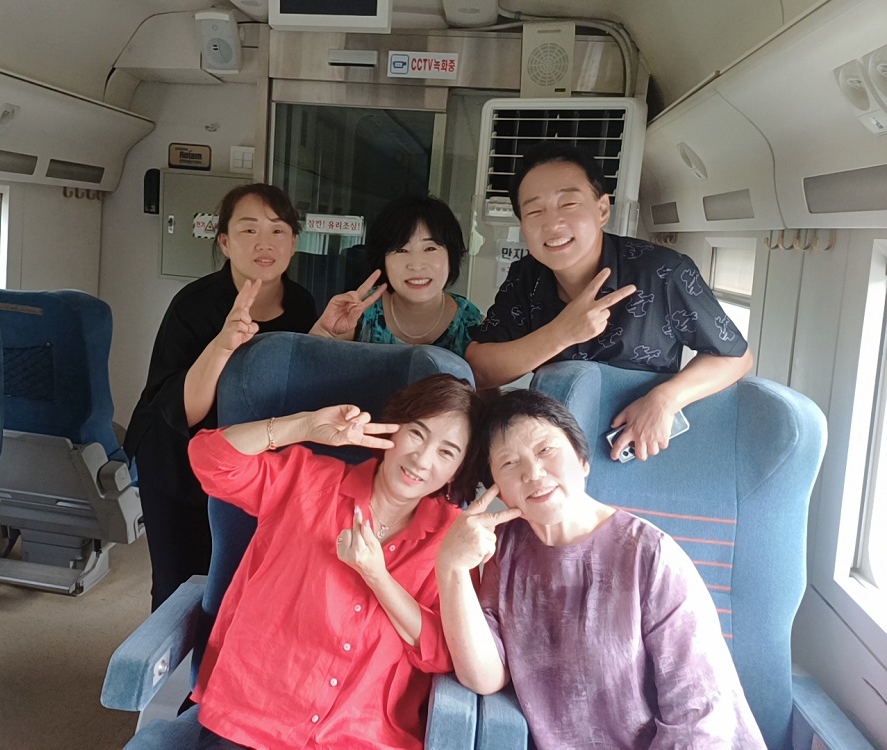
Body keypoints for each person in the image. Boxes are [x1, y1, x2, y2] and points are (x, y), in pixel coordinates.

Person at [435, 389, 766, 749]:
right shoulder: (505, 549)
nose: (533, 472)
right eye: (509, 463)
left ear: (582, 460)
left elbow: (701, 718)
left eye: (546, 450)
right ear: (499, 490)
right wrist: (451, 568)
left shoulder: (650, 556)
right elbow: (485, 676)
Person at [183, 372, 482, 749]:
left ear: (458, 470)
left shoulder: (452, 540)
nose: (422, 460)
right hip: (253, 720)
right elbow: (210, 460)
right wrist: (303, 425)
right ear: (393, 428)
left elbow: (444, 651)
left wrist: (377, 577)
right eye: (417, 434)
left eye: (446, 452)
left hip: (360, 737)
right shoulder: (307, 482)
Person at [465, 144, 752, 461]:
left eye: (568, 204)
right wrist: (561, 333)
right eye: (534, 211)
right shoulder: (526, 277)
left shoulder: (662, 271)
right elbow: (479, 368)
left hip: (639, 448)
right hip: (556, 455)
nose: (552, 223)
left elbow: (734, 356)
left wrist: (666, 399)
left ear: (602, 210)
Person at [124, 183, 317, 610]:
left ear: (293, 243)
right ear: (226, 243)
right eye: (249, 230)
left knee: (241, 582)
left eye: (278, 230)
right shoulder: (193, 306)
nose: (265, 243)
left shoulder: (303, 305)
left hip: (251, 462)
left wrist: (325, 337)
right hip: (177, 457)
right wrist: (222, 345)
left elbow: (295, 383)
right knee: (180, 583)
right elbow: (185, 411)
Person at [311, 196, 482, 357]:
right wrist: (324, 333)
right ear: (383, 259)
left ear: (452, 256)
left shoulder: (471, 323)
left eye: (430, 248)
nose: (416, 265)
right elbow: (309, 369)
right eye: (401, 250)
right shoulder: (359, 312)